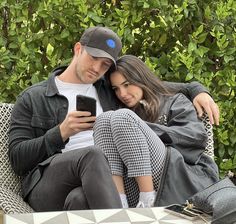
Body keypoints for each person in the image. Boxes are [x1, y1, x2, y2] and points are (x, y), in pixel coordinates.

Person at [9, 26, 219, 212]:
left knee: (79, 199)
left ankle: (120, 211)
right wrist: (61, 132)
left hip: (100, 185)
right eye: (93, 58)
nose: (97, 69)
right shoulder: (33, 97)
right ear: (78, 49)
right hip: (49, 184)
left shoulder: (109, 90)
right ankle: (125, 223)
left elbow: (152, 86)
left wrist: (198, 90)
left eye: (105, 65)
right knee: (92, 155)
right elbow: (18, 160)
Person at [93, 55, 219, 208]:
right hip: (133, 187)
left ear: (140, 79)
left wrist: (143, 128)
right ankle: (119, 202)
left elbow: (195, 137)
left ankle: (148, 201)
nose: (123, 94)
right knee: (103, 120)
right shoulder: (124, 111)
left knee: (122, 117)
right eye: (116, 89)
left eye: (127, 85)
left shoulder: (174, 100)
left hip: (179, 177)